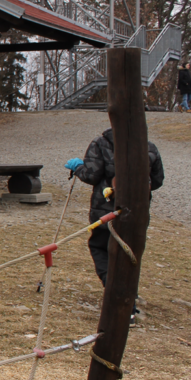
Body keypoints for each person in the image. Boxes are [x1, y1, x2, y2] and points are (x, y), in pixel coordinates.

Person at [65, 129, 164, 324]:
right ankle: (128, 297)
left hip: (106, 213)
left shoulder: (101, 143)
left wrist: (78, 168)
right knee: (128, 256)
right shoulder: (149, 146)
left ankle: (122, 302)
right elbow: (157, 181)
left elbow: (91, 175)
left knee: (100, 249)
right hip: (136, 214)